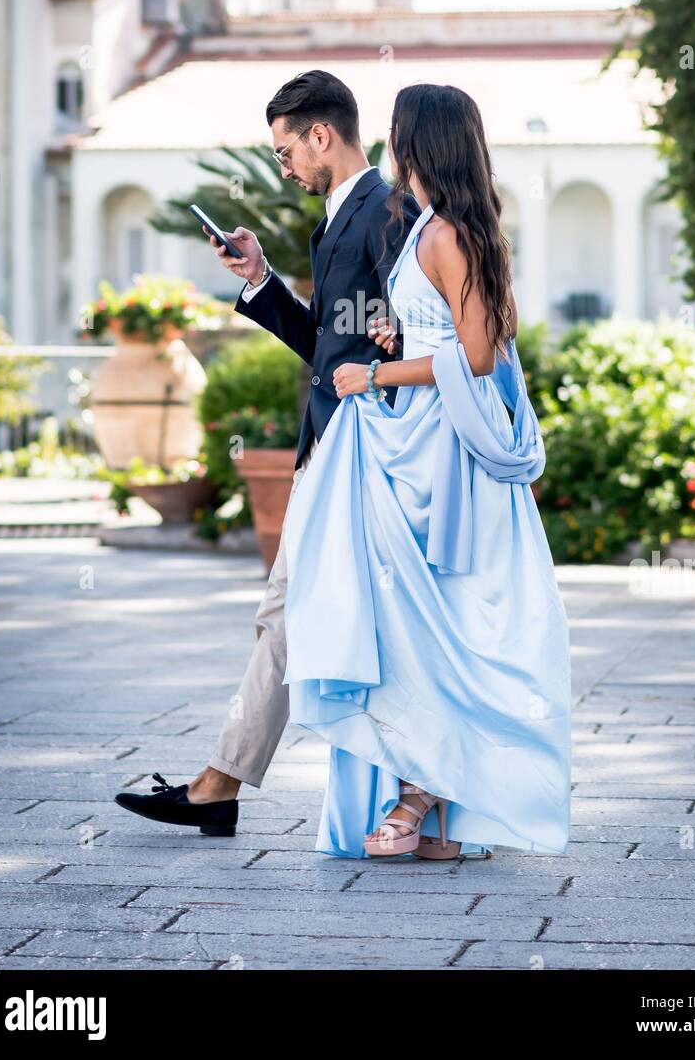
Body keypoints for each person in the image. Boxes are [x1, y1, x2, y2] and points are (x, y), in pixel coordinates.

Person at [114, 70, 419, 836]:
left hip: (366, 453)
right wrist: (262, 281)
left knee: (297, 615)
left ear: (324, 135)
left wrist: (394, 344)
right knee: (282, 614)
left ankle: (228, 787)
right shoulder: (336, 220)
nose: (284, 166)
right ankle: (221, 786)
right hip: (329, 450)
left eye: (287, 151)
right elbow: (326, 344)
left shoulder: (391, 212)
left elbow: (425, 324)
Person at [279, 82, 572, 860]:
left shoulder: (446, 233)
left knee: (429, 622)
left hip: (439, 450)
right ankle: (431, 797)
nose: (388, 141)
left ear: (421, 141)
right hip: (415, 439)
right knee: (410, 620)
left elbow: (476, 354)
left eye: (398, 130)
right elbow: (445, 330)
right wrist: (393, 337)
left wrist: (377, 378)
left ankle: (422, 793)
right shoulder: (432, 231)